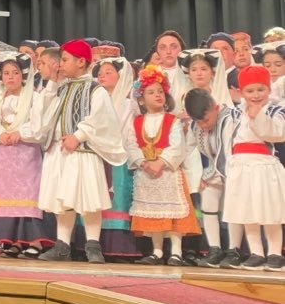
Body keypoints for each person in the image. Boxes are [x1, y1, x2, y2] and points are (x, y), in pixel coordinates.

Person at [34, 39, 127, 263]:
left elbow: (101, 118)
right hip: (60, 152)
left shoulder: (95, 89)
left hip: (83, 151)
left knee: (89, 199)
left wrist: (78, 136)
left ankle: (93, 245)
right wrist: (52, 83)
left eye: (65, 60)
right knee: (62, 200)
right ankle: (62, 246)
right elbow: (44, 114)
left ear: (81, 62)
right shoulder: (61, 88)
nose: (60, 64)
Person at [0, 53, 51, 258]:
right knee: (6, 199)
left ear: (23, 75)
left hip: (26, 155)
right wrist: (0, 134)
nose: (10, 77)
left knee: (28, 197)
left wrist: (21, 133)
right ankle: (13, 241)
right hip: (2, 157)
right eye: (6, 73)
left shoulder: (34, 98)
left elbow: (40, 125)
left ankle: (34, 241)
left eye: (15, 72)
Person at [126, 65, 200, 266]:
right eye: (151, 92)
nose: (157, 95)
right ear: (141, 99)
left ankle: (176, 251)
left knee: (173, 213)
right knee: (153, 212)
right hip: (146, 174)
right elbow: (131, 145)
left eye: (160, 91)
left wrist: (161, 162)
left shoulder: (172, 120)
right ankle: (157, 251)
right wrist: (143, 162)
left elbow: (177, 145)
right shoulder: (136, 122)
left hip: (168, 173)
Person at [219, 65, 285, 271]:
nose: (256, 95)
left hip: (264, 166)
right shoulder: (235, 113)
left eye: (260, 89)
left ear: (268, 89)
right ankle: (256, 252)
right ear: (241, 92)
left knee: (269, 211)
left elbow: (276, 134)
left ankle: (274, 253)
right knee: (247, 211)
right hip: (240, 166)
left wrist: (258, 117)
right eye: (250, 91)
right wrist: (228, 167)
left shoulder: (275, 111)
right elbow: (227, 140)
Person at [84, 55, 140, 260]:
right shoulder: (93, 101)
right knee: (96, 200)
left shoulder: (128, 104)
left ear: (121, 75)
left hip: (119, 158)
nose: (103, 76)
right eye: (100, 73)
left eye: (109, 72)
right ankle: (91, 243)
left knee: (118, 200)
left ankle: (119, 247)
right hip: (97, 155)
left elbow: (130, 132)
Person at [184, 88, 236, 267]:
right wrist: (197, 175)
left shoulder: (228, 119)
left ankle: (234, 250)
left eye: (205, 120)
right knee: (207, 199)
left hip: (234, 168)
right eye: (198, 121)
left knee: (233, 206)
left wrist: (210, 174)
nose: (203, 125)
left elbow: (226, 152)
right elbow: (187, 150)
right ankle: (214, 249)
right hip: (214, 171)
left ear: (215, 108)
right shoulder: (195, 127)